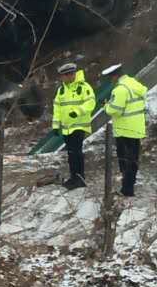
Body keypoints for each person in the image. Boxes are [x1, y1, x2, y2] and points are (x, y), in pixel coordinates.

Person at [103, 62, 147, 197]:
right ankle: (130, 184)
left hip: (124, 129)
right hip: (136, 127)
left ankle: (127, 189)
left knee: (125, 160)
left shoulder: (120, 90)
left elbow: (115, 110)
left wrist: (106, 105)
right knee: (133, 158)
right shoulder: (135, 84)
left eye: (111, 77)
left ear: (115, 76)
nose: (111, 80)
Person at [52, 58, 95, 190]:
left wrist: (77, 111)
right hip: (66, 128)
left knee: (76, 153)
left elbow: (91, 103)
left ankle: (80, 178)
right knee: (71, 154)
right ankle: (73, 177)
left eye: (64, 75)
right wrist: (55, 125)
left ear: (71, 74)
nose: (63, 78)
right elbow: (57, 108)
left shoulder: (83, 87)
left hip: (78, 125)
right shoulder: (61, 90)